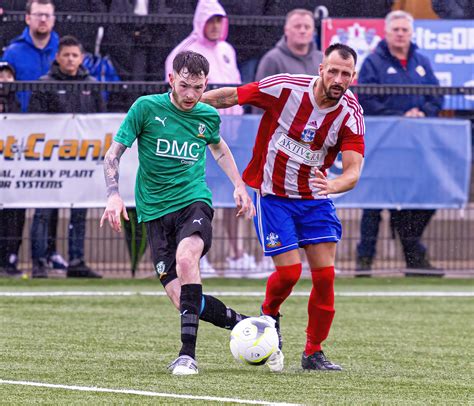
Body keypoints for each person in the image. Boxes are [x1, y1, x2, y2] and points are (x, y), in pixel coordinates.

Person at [100, 51, 266, 375]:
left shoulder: (206, 115)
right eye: (185, 86)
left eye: (199, 88)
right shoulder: (145, 108)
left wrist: (239, 185)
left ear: (206, 85)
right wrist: (113, 195)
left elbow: (218, 147)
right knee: (184, 300)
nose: (191, 95)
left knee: (187, 259)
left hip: (193, 201)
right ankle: (246, 325)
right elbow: (113, 154)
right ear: (172, 80)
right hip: (153, 212)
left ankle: (187, 355)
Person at [201, 43, 365, 371]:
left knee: (325, 277)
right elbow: (232, 96)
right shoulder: (286, 88)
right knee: (289, 273)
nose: (338, 78)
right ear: (321, 68)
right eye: (333, 70)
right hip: (274, 195)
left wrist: (332, 185)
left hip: (315, 199)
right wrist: (185, 103)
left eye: (345, 74)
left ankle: (313, 352)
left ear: (353, 77)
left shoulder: (350, 113)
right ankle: (269, 314)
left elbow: (353, 173)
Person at [165, 0, 254, 274]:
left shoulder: (228, 50)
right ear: (200, 21)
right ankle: (198, 256)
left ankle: (236, 254)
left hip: (230, 135)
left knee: (232, 194)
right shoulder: (183, 52)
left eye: (219, 20)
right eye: (210, 20)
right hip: (194, 139)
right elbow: (176, 100)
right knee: (198, 196)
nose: (215, 26)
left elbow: (235, 93)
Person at [355, 10, 443, 277]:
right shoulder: (372, 63)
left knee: (423, 198)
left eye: (405, 30)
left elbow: (437, 96)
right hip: (384, 145)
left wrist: (422, 113)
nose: (401, 34)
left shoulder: (422, 62)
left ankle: (415, 257)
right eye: (396, 29)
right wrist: (397, 117)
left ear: (412, 33)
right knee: (373, 204)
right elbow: (366, 100)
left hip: (416, 148)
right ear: (387, 32)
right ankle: (364, 262)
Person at [28, 35, 105, 279]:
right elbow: (33, 122)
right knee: (43, 211)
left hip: (81, 160)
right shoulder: (45, 83)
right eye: (66, 55)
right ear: (57, 57)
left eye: (75, 55)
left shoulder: (91, 84)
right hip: (50, 161)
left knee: (79, 211)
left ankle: (76, 260)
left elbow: (101, 120)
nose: (71, 59)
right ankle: (39, 262)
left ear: (81, 58)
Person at [0, 61, 26, 278]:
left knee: (14, 216)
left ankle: (10, 259)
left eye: (8, 76)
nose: (4, 80)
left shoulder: (17, 104)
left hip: (13, 174)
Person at [255, 8, 323, 82]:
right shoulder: (272, 60)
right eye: (297, 26)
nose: (302, 31)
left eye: (307, 27)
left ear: (313, 31)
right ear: (286, 30)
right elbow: (260, 92)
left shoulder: (322, 59)